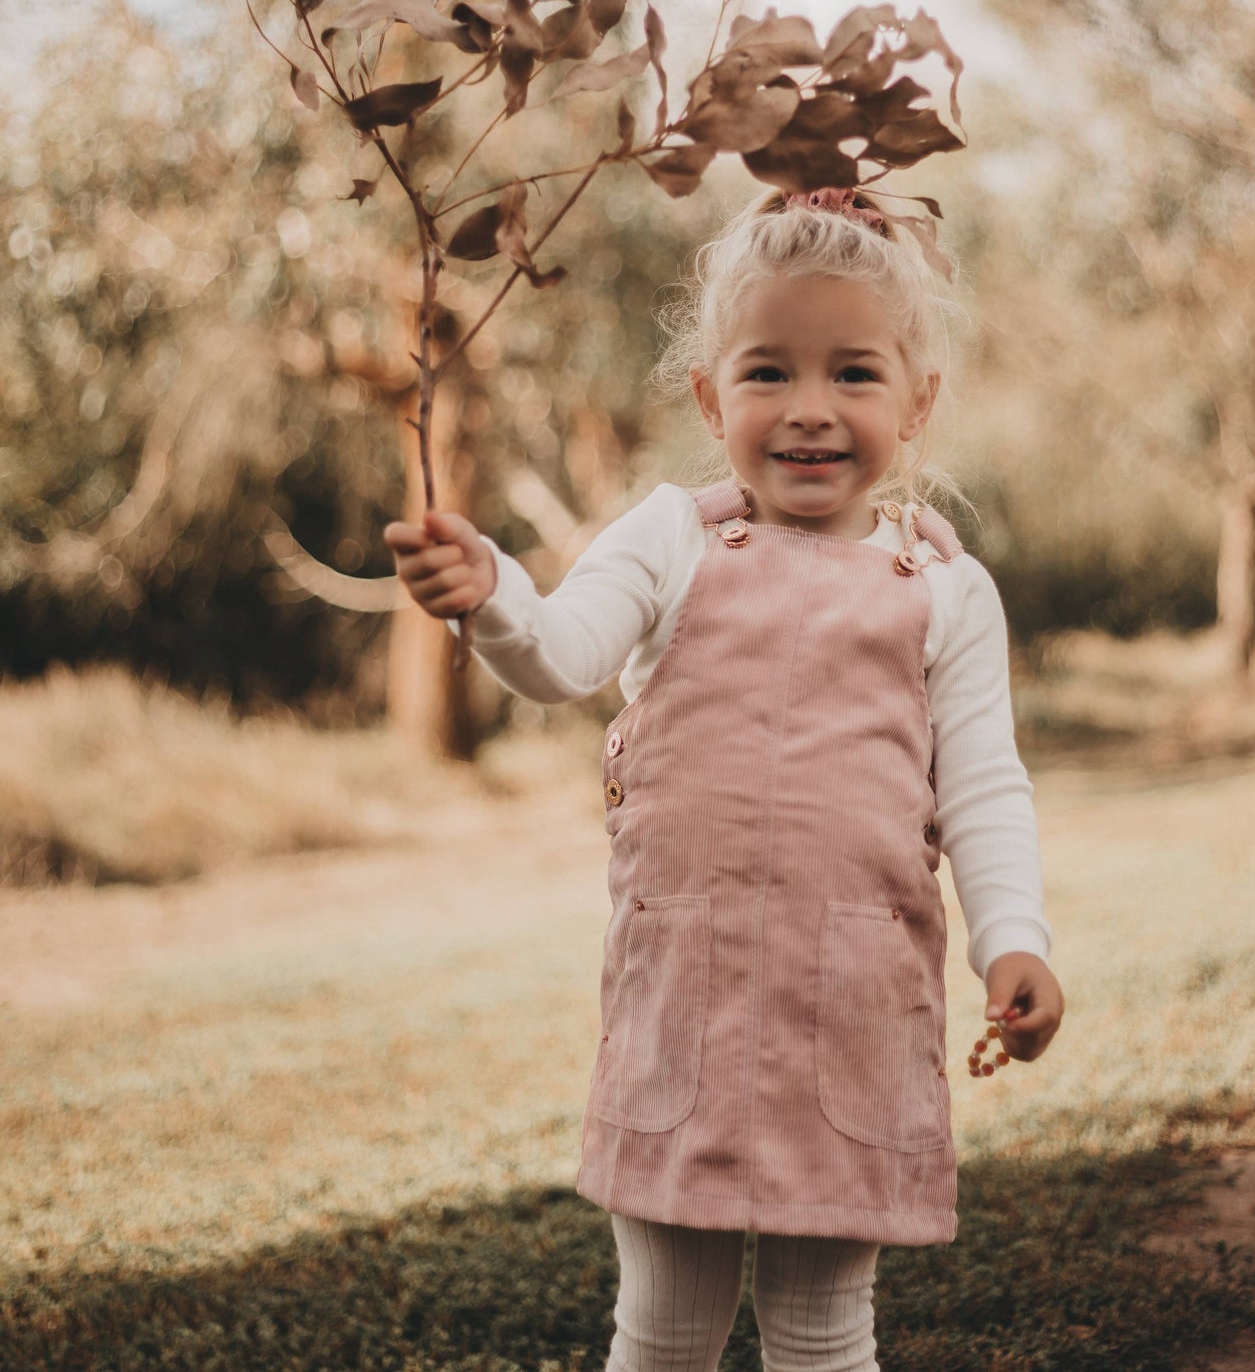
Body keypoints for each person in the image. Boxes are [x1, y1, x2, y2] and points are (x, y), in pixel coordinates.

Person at [384, 184, 1064, 1372]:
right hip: (682, 1005)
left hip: (850, 1010)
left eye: (853, 373)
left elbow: (985, 786)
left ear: (917, 401)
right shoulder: (670, 540)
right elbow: (560, 654)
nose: (809, 410)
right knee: (661, 1332)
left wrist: (1013, 939)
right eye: (767, 374)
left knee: (820, 1330)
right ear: (709, 395)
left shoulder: (944, 587)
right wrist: (492, 592)